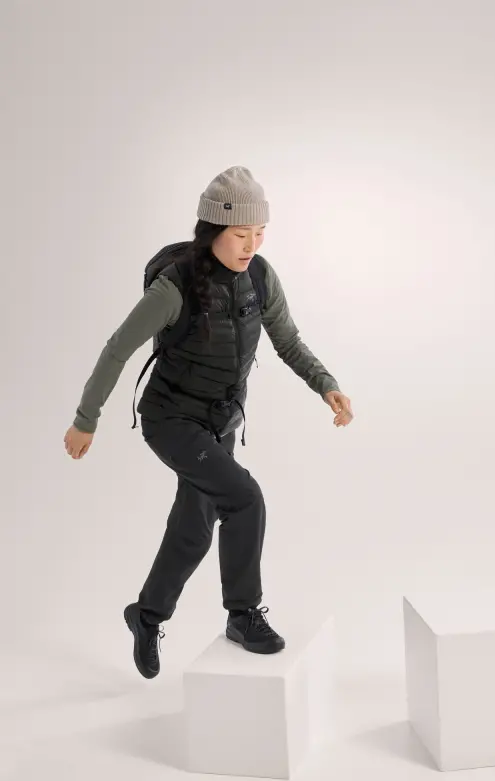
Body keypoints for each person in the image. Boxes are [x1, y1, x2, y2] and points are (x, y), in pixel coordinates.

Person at [63, 166, 354, 679]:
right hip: (172, 420)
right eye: (241, 234)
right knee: (244, 498)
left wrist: (325, 384)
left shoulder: (260, 278)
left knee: (194, 529)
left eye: (260, 232)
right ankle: (243, 614)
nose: (251, 245)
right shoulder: (174, 288)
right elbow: (117, 349)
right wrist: (86, 419)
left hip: (220, 423)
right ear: (213, 228)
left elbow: (287, 341)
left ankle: (146, 615)